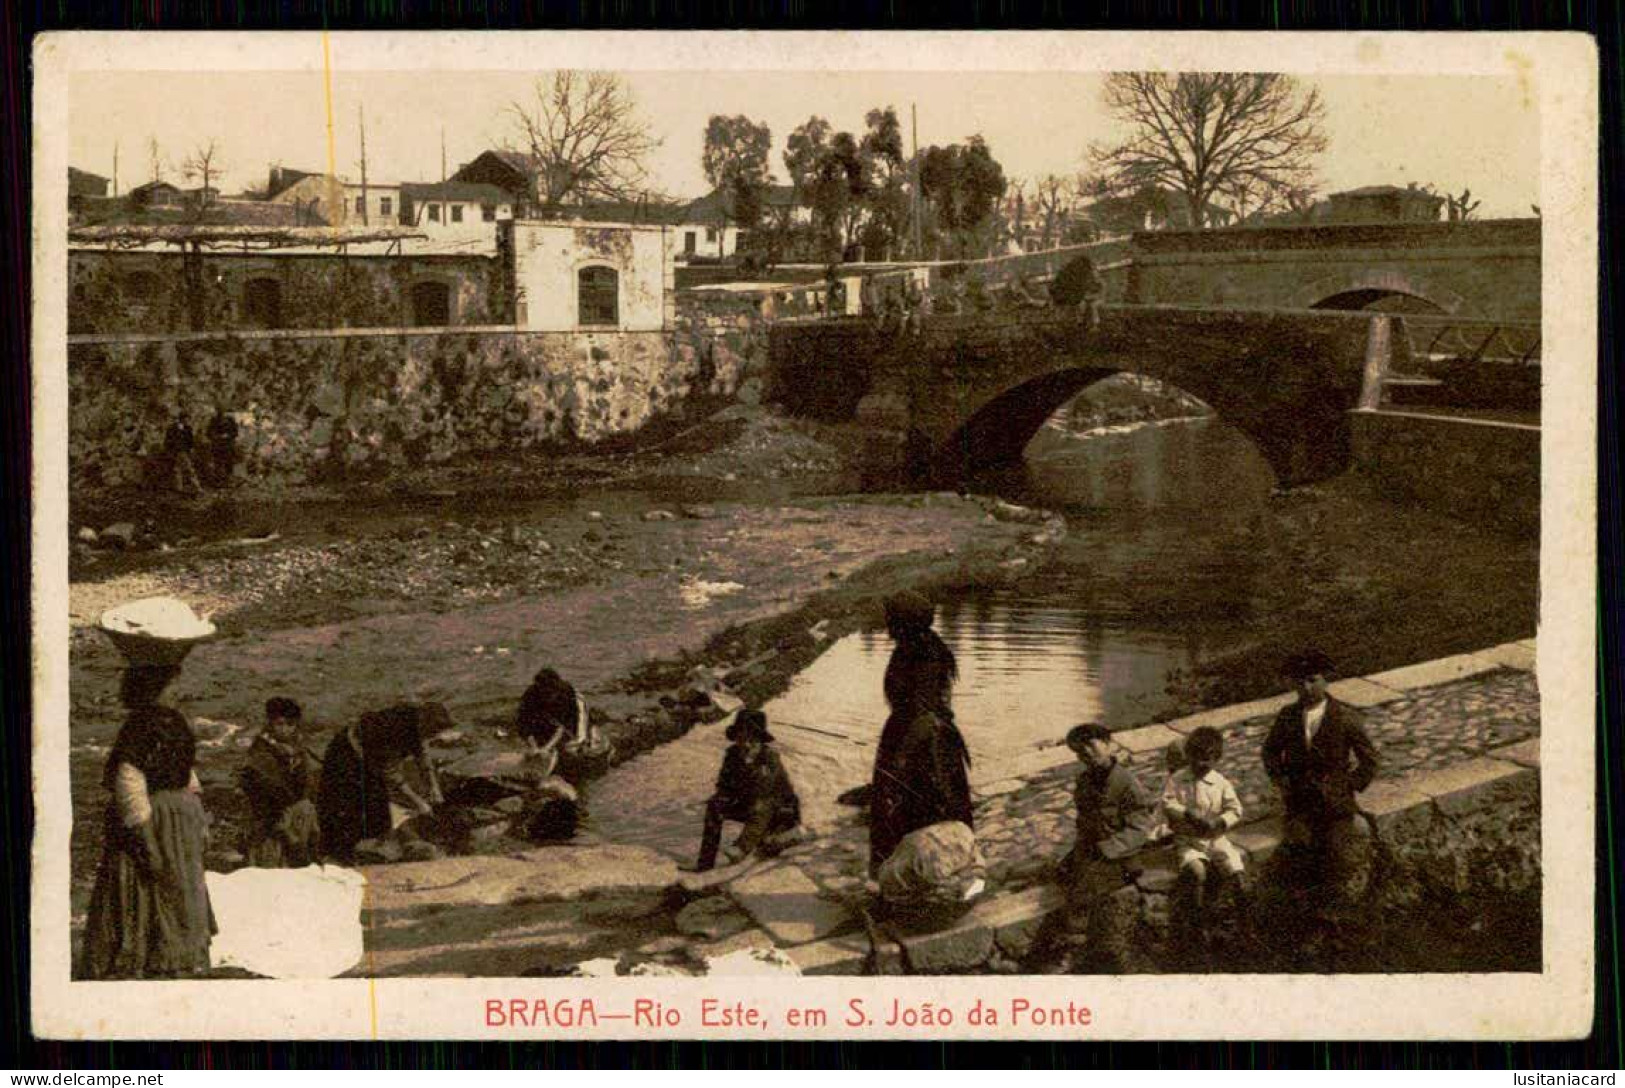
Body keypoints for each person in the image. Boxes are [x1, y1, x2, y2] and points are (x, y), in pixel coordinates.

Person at [79, 664, 216, 979]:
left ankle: (182, 955)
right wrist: (145, 833)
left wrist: (198, 812)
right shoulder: (138, 727)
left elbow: (184, 767)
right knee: (147, 880)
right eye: (171, 686)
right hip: (154, 819)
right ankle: (147, 957)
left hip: (179, 818)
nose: (176, 691)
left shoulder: (175, 722)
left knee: (180, 883)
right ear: (153, 690)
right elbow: (129, 779)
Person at [1261, 649, 1380, 942]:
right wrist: (1282, 781)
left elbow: (1369, 760)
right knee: (1301, 851)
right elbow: (1270, 752)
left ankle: (1334, 917)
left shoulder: (1345, 718)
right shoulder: (1288, 716)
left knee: (1337, 852)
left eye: (1312, 680)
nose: (1306, 687)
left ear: (1325, 681)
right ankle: (1307, 920)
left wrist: (1348, 785)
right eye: (1299, 682)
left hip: (1335, 804)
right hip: (1300, 802)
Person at [869, 592, 974, 878]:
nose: (886, 623)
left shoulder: (924, 654)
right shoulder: (915, 647)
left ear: (904, 621)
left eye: (891, 618)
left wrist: (900, 759)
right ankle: (903, 877)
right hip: (915, 736)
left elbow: (925, 712)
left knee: (920, 809)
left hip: (924, 744)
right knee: (911, 810)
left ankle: (925, 878)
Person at [1059, 722, 1159, 971]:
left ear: (1108, 744)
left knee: (1083, 887)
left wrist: (1109, 848)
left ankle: (1076, 947)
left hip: (1120, 855)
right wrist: (1079, 852)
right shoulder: (1084, 782)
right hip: (1094, 849)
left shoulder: (1126, 783)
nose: (1087, 754)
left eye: (1091, 746)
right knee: (1062, 874)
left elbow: (1140, 828)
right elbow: (1086, 823)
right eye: (1080, 752)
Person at [317, 702, 448, 864]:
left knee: (381, 804)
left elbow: (423, 755)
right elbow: (390, 773)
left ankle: (384, 845)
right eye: (431, 731)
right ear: (423, 721)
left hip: (371, 756)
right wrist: (419, 802)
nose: (432, 735)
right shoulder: (393, 729)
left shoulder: (419, 727)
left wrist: (434, 787)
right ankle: (346, 853)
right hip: (347, 753)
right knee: (354, 803)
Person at [1161, 725, 1245, 942]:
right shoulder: (1178, 779)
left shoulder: (1220, 782)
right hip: (1188, 840)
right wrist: (1186, 813)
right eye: (1196, 759)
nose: (1200, 764)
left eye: (1207, 760)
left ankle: (1240, 914)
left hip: (1215, 838)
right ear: (1188, 756)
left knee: (1234, 869)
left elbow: (1235, 809)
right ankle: (1199, 919)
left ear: (1216, 759)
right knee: (1198, 872)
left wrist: (1221, 821)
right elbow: (1168, 802)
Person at [693, 709, 803, 872]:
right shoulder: (732, 754)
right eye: (741, 738)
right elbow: (724, 783)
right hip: (751, 808)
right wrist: (723, 796)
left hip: (779, 812)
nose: (745, 744)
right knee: (715, 805)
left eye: (751, 739)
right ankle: (705, 862)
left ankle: (741, 848)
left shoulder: (769, 757)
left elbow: (763, 789)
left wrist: (751, 766)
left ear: (759, 740)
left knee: (762, 805)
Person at [238, 697, 320, 868]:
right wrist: (287, 831)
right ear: (270, 724)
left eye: (290, 724)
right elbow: (265, 796)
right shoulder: (260, 754)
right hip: (270, 823)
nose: (285, 729)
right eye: (280, 724)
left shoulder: (297, 750)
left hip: (294, 820)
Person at [514, 668, 587, 778]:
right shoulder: (530, 695)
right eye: (542, 693)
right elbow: (524, 724)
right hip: (548, 717)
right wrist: (534, 747)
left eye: (548, 693)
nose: (546, 696)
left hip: (572, 716)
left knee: (573, 744)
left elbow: (563, 726)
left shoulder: (567, 694)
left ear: (555, 690)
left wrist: (547, 749)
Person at [164, 408, 202, 495]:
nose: (187, 420)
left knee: (187, 469)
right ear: (182, 419)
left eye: (188, 418)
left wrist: (191, 449)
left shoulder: (188, 428)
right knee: (179, 470)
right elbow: (168, 441)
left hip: (184, 452)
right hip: (176, 452)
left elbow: (190, 441)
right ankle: (181, 488)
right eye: (186, 418)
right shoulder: (172, 428)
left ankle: (196, 487)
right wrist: (170, 451)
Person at [204, 405, 239, 490]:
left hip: (228, 446)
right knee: (218, 464)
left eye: (222, 411)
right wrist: (216, 436)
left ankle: (229, 481)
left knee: (229, 464)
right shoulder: (214, 420)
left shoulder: (230, 420)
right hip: (217, 446)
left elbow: (235, 432)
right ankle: (218, 482)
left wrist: (228, 436)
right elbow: (208, 433)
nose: (221, 413)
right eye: (219, 411)